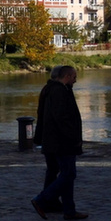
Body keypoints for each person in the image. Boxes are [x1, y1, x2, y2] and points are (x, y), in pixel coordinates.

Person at [31, 65, 87, 220]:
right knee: (68, 173)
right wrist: (74, 137)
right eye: (74, 77)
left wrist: (39, 138)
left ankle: (67, 209)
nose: (75, 81)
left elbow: (42, 114)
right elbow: (62, 118)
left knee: (58, 172)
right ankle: (42, 200)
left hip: (50, 140)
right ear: (67, 76)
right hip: (62, 141)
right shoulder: (60, 91)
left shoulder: (48, 89)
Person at [34, 65, 70, 212]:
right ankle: (46, 199)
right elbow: (59, 116)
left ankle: (51, 200)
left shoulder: (46, 90)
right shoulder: (57, 91)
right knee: (63, 171)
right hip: (54, 138)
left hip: (46, 136)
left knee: (52, 169)